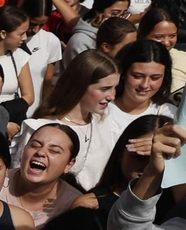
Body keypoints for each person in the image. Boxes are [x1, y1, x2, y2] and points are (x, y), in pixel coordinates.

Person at [12, 50, 122, 191]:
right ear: (80, 85)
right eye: (105, 89)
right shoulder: (40, 128)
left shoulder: (108, 126)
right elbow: (17, 176)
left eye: (114, 88)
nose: (112, 96)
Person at [105, 39, 177, 132]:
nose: (145, 85)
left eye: (155, 78)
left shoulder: (170, 115)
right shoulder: (101, 109)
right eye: (137, 76)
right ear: (123, 73)